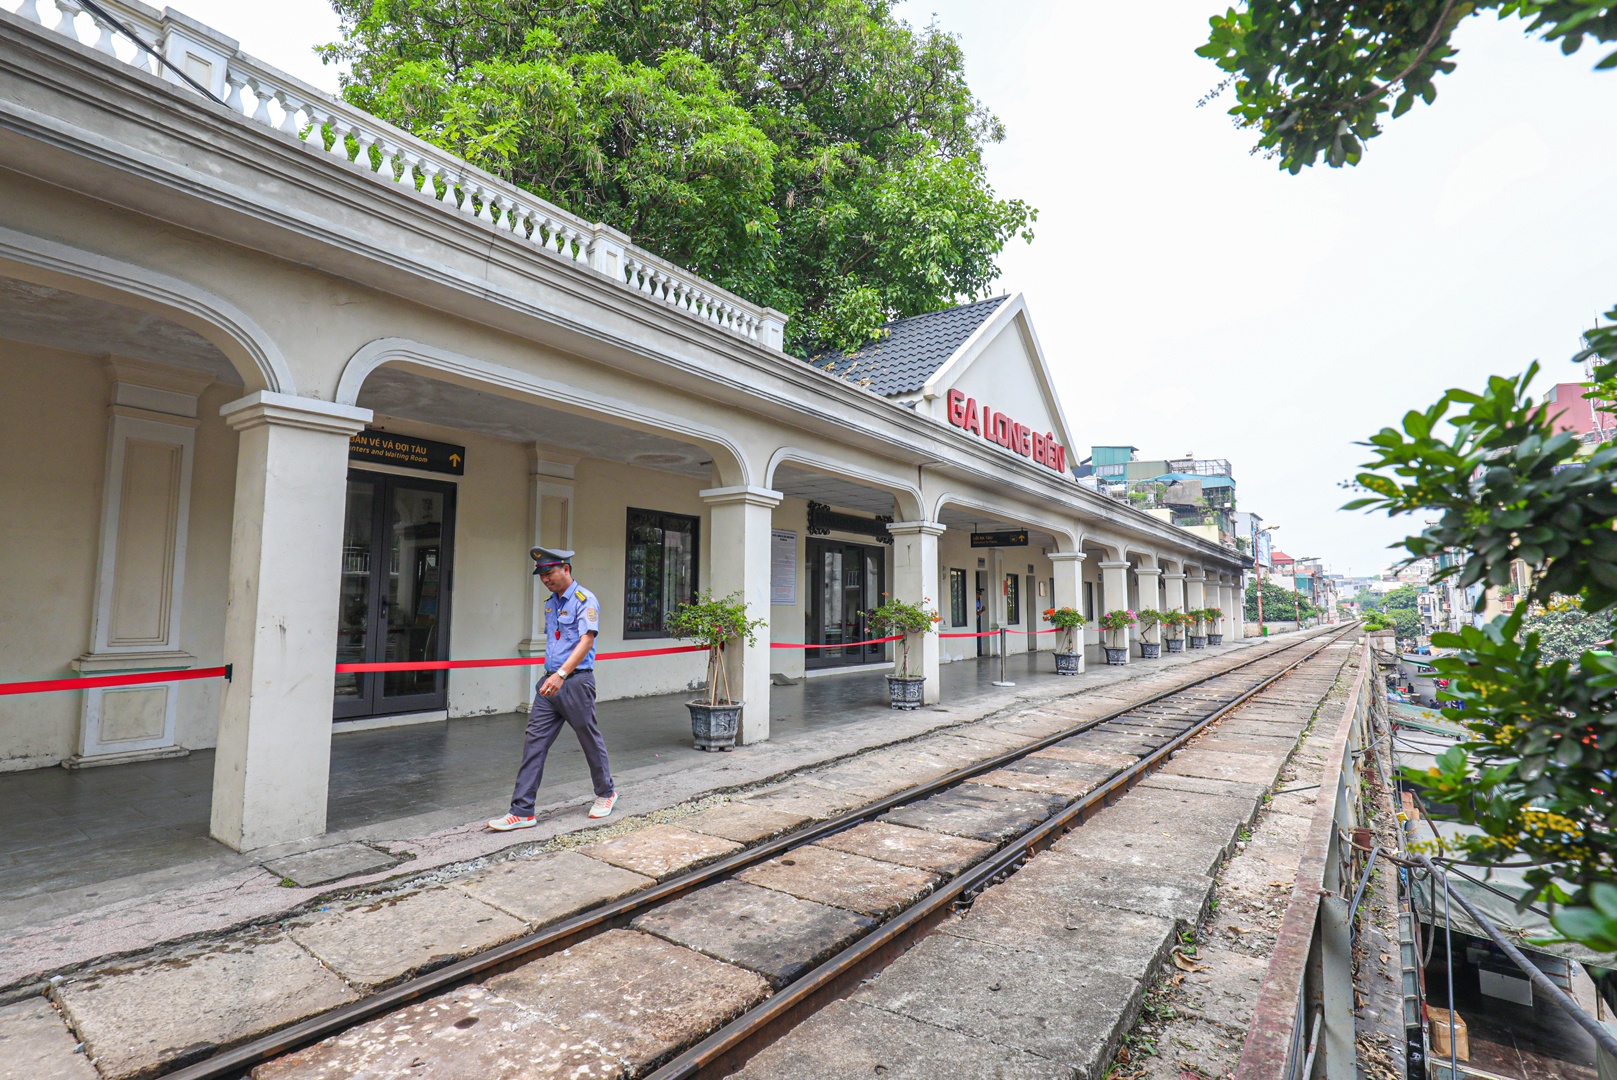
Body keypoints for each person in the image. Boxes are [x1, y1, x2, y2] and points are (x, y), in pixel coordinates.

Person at [488, 546, 618, 830]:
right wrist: (553, 676)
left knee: (588, 739)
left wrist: (561, 674)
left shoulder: (585, 600)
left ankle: (606, 792)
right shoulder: (551, 604)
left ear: (566, 569)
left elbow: (586, 641)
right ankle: (522, 810)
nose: (545, 579)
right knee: (534, 742)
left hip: (575, 682)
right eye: (542, 575)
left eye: (550, 573)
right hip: (550, 684)